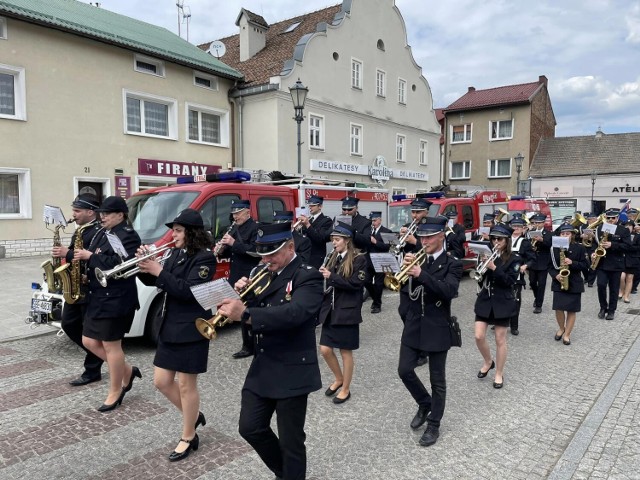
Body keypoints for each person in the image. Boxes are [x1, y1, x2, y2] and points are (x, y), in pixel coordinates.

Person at [216, 221, 323, 480]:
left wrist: (247, 313)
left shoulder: (307, 274)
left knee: (291, 440)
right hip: (264, 365)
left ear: (290, 247)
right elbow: (264, 305)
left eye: (272, 253)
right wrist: (244, 296)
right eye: (262, 253)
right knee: (250, 428)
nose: (266, 259)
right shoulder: (265, 272)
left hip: (293, 367)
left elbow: (295, 313)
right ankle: (284, 472)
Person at [137, 209, 216, 462]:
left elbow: (188, 291)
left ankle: (188, 436)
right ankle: (193, 416)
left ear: (191, 233)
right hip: (170, 326)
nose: (174, 234)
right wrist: (144, 267)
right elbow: (157, 282)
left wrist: (159, 270)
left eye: (179, 230)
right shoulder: (175, 253)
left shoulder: (205, 259)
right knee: (160, 381)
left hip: (191, 329)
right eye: (175, 230)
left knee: (185, 384)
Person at [397, 216, 462, 447]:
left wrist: (420, 274)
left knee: (438, 380)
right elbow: (405, 289)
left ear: (441, 236)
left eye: (429, 236)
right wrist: (405, 270)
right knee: (404, 370)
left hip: (437, 325)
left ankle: (434, 424)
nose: (424, 240)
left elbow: (449, 291)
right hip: (414, 323)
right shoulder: (417, 259)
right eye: (422, 236)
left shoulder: (452, 263)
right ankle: (425, 403)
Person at [75, 196, 141, 412]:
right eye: (101, 213)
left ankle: (116, 390)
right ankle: (127, 371)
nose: (101, 216)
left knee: (112, 346)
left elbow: (121, 265)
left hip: (117, 299)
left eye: (106, 213)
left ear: (120, 215)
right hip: (99, 295)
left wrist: (90, 257)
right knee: (88, 340)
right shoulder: (104, 232)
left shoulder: (128, 236)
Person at [51, 194, 104, 386]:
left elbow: (90, 256)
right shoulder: (80, 230)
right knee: (69, 324)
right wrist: (61, 256)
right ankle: (100, 355)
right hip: (75, 284)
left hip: (88, 286)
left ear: (91, 212)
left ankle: (93, 369)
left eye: (77, 211)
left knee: (89, 332)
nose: (73, 214)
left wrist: (69, 252)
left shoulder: (98, 231)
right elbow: (73, 255)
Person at [318, 222, 368, 404]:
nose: (334, 243)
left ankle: (346, 388)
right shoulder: (333, 257)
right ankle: (338, 378)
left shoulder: (359, 259)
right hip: (330, 311)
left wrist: (332, 277)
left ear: (347, 241)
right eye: (332, 240)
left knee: (345, 352)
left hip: (347, 312)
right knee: (324, 349)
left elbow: (355, 285)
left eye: (337, 240)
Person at [474, 223, 521, 389]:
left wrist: (494, 267)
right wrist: (482, 264)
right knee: (479, 336)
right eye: (493, 238)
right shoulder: (487, 254)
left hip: (503, 301)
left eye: (499, 239)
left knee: (500, 339)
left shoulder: (515, 259)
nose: (495, 241)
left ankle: (499, 373)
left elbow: (509, 281)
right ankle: (488, 361)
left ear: (507, 240)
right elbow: (480, 278)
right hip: (486, 300)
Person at [217, 199, 260, 359]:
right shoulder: (234, 228)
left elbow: (256, 251)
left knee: (249, 310)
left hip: (250, 275)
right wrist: (221, 250)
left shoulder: (255, 228)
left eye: (238, 213)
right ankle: (247, 345)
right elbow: (232, 252)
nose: (235, 217)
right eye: (233, 214)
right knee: (241, 311)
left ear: (247, 212)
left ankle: (254, 344)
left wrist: (234, 243)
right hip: (235, 275)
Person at [549, 223, 589, 345]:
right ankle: (561, 328)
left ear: (572, 235)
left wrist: (573, 262)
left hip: (574, 282)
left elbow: (586, 266)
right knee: (558, 308)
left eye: (568, 233)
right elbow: (549, 266)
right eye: (562, 233)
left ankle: (567, 334)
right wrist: (555, 275)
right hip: (559, 281)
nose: (565, 235)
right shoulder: (553, 248)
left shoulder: (580, 248)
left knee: (572, 310)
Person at [593, 208, 631, 320]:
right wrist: (593, 254)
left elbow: (627, 246)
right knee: (601, 285)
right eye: (608, 218)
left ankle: (611, 310)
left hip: (616, 263)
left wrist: (612, 245)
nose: (610, 220)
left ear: (617, 218)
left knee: (614, 288)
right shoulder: (600, 228)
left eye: (613, 218)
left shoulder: (623, 230)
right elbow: (595, 244)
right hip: (602, 263)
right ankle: (603, 307)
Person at [508, 215, 534, 336]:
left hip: (517, 274)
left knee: (515, 300)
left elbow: (532, 258)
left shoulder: (525, 242)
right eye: (514, 226)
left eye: (519, 226)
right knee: (501, 298)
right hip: (503, 272)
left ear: (523, 228)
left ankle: (514, 325)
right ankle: (502, 320)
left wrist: (526, 266)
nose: (516, 228)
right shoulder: (505, 239)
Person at [366, 211, 391, 314]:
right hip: (368, 260)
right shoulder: (368, 230)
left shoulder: (387, 231)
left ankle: (377, 305)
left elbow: (387, 247)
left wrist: (375, 242)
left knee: (378, 284)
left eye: (375, 220)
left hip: (381, 259)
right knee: (365, 281)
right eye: (372, 220)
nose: (373, 222)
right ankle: (375, 299)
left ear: (380, 220)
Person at [298, 194, 333, 269]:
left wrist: (307, 224)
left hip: (316, 258)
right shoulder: (309, 219)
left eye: (313, 205)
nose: (310, 207)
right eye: (309, 205)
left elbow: (320, 238)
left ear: (320, 206)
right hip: (305, 255)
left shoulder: (326, 220)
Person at [528, 213, 552, 314]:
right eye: (535, 223)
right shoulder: (530, 232)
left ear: (543, 223)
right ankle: (536, 297)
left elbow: (551, 245)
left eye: (539, 223)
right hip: (533, 261)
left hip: (543, 261)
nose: (537, 224)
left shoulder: (549, 233)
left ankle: (539, 305)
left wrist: (542, 240)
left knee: (541, 284)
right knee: (532, 282)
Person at [619, 219, 639, 303]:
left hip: (633, 259)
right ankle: (621, 291)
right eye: (626, 226)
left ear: (633, 227)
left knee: (630, 278)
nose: (627, 227)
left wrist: (628, 247)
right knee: (621, 277)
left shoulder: (638, 236)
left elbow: (638, 247)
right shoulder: (621, 235)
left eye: (629, 225)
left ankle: (626, 296)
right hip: (622, 259)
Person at [579, 212, 598, 287]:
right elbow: (576, 236)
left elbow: (602, 238)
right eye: (590, 219)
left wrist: (594, 236)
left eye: (594, 219)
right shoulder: (582, 226)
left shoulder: (599, 226)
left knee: (593, 264)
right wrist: (581, 236)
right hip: (584, 247)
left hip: (594, 247)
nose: (592, 221)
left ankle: (591, 281)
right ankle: (586, 277)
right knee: (584, 263)